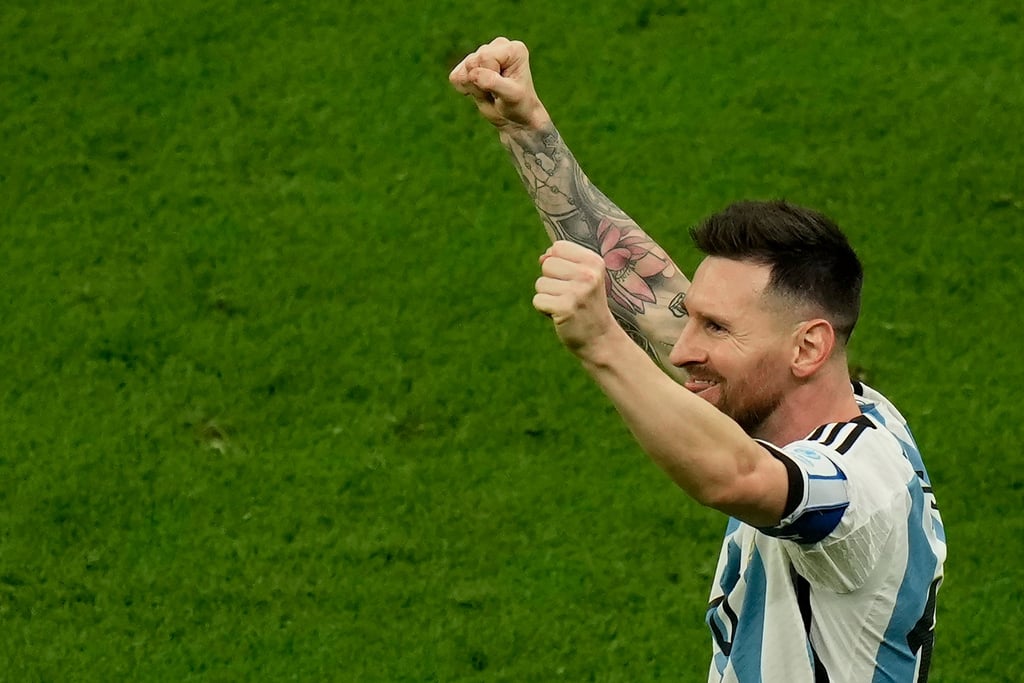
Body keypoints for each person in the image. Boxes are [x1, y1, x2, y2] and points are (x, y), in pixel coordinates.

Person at [449, 37, 946, 683]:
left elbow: (734, 476)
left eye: (715, 326)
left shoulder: (858, 492)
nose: (682, 348)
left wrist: (602, 343)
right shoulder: (837, 403)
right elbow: (653, 294)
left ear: (808, 347)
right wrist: (527, 129)